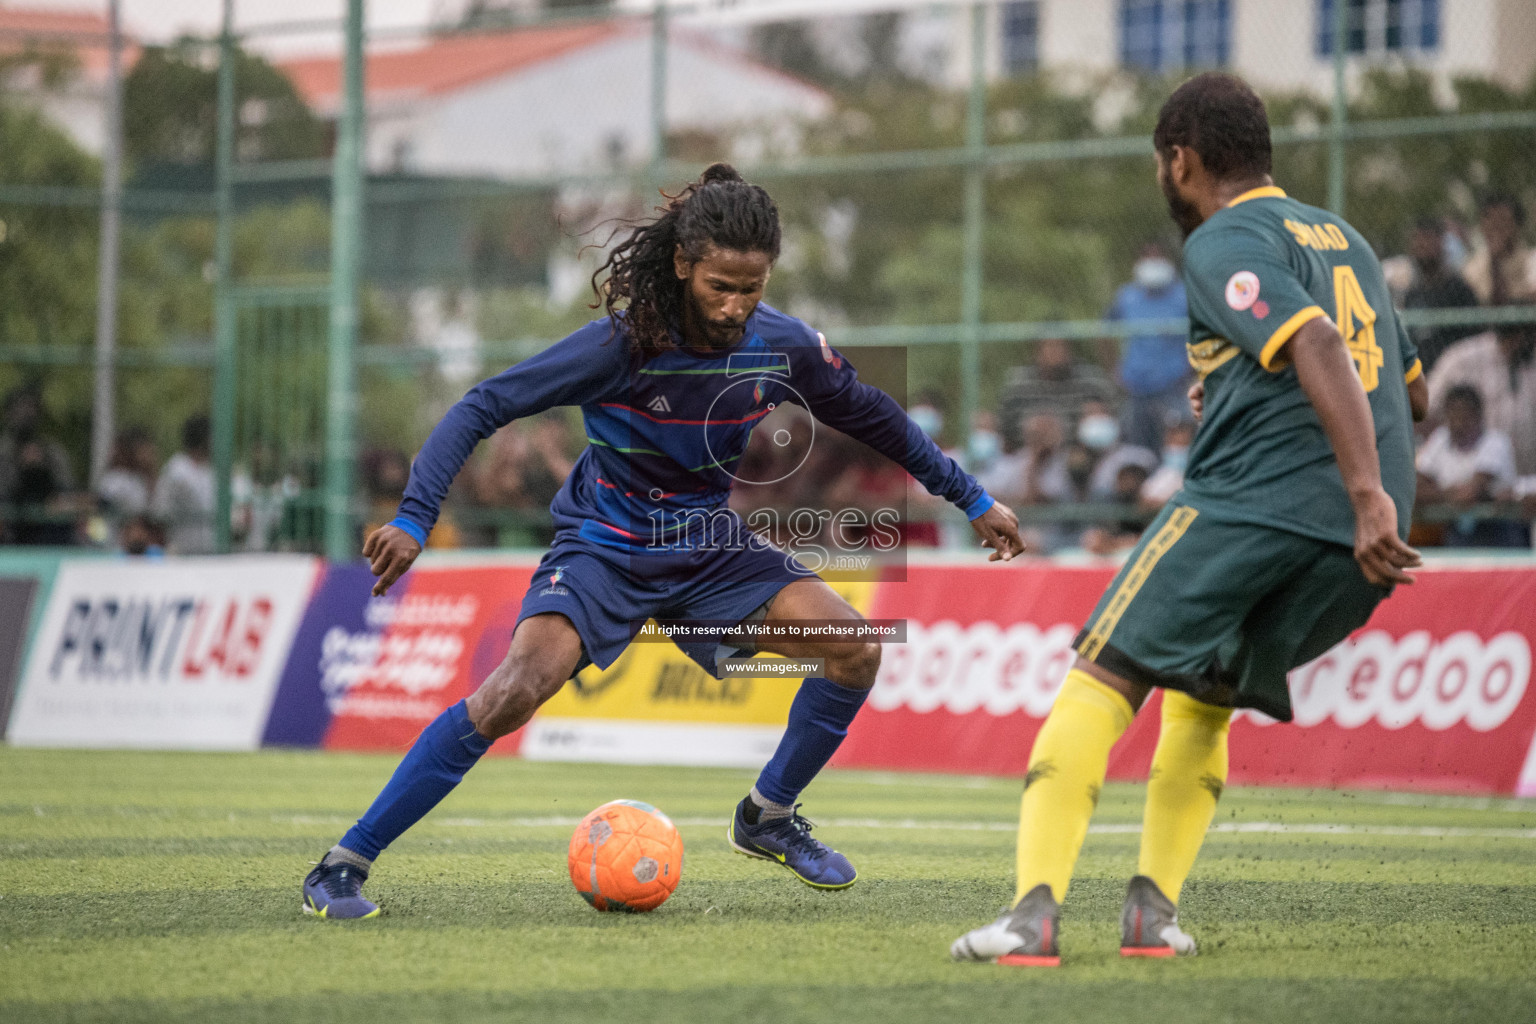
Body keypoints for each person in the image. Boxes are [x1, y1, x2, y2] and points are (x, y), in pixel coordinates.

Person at [301, 163, 1026, 919]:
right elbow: (483, 405)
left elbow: (873, 414)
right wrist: (417, 516)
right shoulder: (619, 346)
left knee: (855, 647)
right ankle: (343, 864)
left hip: (707, 545)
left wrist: (970, 497)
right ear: (683, 265)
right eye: (720, 285)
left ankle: (767, 816)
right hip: (604, 546)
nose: (736, 305)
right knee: (513, 693)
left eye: (752, 287)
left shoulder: (781, 344)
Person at [951, 72, 1427, 967]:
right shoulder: (1349, 241)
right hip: (1352, 551)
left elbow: (1319, 346)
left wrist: (1362, 492)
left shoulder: (1223, 238)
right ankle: (1151, 916)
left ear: (1183, 160)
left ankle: (1031, 916)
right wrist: (1368, 490)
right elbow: (1412, 389)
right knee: (1205, 692)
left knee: (1104, 672)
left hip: (1260, 504)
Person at [1107, 240, 1194, 451]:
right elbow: (1104, 331)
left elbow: (1202, 334)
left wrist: (1192, 369)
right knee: (1136, 447)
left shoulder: (1184, 296)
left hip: (1174, 386)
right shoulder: (1126, 297)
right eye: (1148, 258)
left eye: (1158, 257)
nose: (1153, 263)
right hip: (1136, 388)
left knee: (1176, 446)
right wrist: (1113, 369)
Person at [1416, 384, 1525, 548]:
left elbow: (1469, 494)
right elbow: (1414, 490)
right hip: (1456, 531)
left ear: (1479, 416)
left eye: (1466, 416)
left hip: (1499, 532)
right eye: (1454, 415)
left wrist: (1438, 493)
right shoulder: (1440, 439)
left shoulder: (1496, 442)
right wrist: (1451, 493)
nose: (1460, 423)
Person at [1426, 325, 1536, 478]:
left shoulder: (1498, 445)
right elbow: (1424, 412)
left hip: (1529, 481)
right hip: (1473, 472)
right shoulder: (1463, 358)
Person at [1387, 217, 1480, 371]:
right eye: (1417, 240)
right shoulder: (1413, 292)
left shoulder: (1458, 289)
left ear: (1441, 243)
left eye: (1427, 239)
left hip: (1453, 371)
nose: (1421, 245)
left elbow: (1471, 339)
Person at [997, 338, 1117, 451]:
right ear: (1037, 351)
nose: (1055, 352)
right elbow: (1005, 429)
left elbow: (1115, 419)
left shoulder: (1092, 381)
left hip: (1081, 455)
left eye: (1061, 346)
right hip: (1026, 456)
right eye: (1050, 346)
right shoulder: (1019, 384)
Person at [152, 414, 216, 554]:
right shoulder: (177, 469)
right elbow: (160, 510)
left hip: (212, 552)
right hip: (183, 550)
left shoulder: (213, 471)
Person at [1461, 193, 1536, 308]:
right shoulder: (1472, 267)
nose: (1495, 227)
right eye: (1489, 220)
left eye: (1502, 220)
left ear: (1517, 226)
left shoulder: (1531, 261)